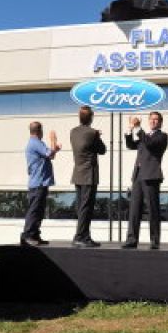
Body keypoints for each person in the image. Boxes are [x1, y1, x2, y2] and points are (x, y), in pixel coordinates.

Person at [122, 112, 168, 249]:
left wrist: (138, 128)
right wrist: (129, 130)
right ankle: (131, 239)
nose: (154, 122)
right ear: (148, 121)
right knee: (134, 209)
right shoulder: (144, 136)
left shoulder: (162, 136)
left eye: (156, 120)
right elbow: (131, 145)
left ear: (160, 122)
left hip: (151, 176)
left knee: (153, 209)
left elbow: (150, 144)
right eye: (152, 119)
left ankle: (154, 241)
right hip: (138, 175)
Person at [70, 106, 106, 248]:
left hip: (77, 174)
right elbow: (102, 150)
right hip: (88, 175)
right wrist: (98, 136)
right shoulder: (92, 133)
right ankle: (80, 237)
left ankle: (84, 235)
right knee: (86, 207)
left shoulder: (73, 131)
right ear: (91, 118)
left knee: (81, 207)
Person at [21, 121, 60, 246]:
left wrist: (54, 149)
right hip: (38, 183)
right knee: (34, 211)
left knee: (39, 211)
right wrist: (53, 140)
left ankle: (35, 235)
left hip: (40, 183)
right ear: (39, 131)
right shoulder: (35, 143)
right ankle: (27, 236)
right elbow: (50, 153)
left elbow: (51, 155)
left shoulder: (35, 143)